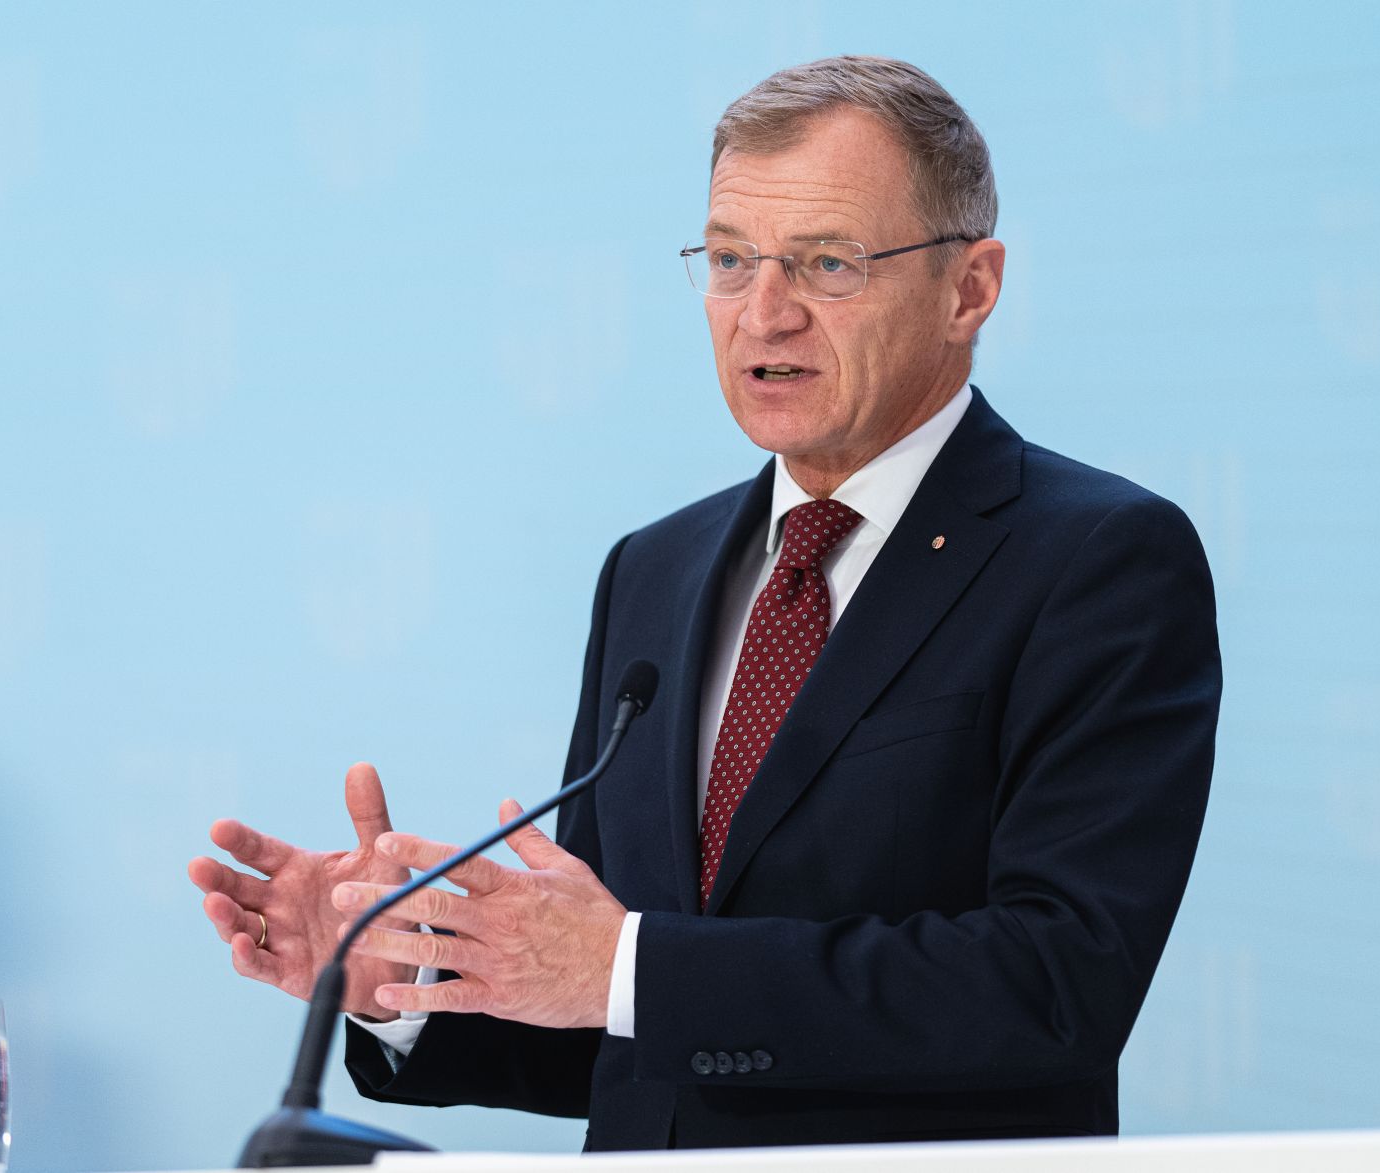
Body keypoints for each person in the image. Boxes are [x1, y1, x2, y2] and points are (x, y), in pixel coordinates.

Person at [188, 55, 1220, 1150]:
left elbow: (1055, 984)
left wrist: (627, 965)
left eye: (826, 264)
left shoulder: (1095, 560)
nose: (762, 315)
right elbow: (619, 1026)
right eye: (729, 261)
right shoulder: (655, 568)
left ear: (968, 288)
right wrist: (401, 980)